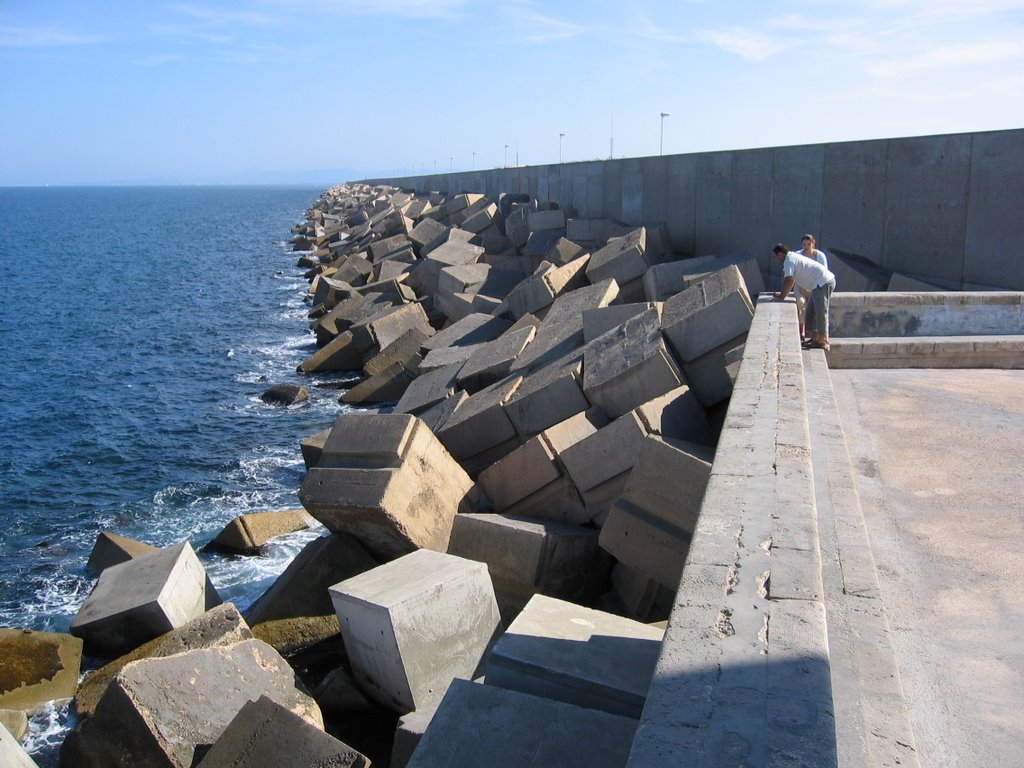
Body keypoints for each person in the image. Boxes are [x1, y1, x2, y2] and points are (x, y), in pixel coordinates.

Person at [772, 242, 836, 350]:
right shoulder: (792, 258)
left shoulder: (789, 260)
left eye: (775, 257)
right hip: (817, 284)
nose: (775, 260)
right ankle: (815, 339)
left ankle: (823, 340)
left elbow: (788, 280)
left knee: (820, 311)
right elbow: (791, 281)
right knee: (811, 312)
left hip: (823, 282)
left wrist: (781, 297)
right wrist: (782, 295)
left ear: (780, 254)